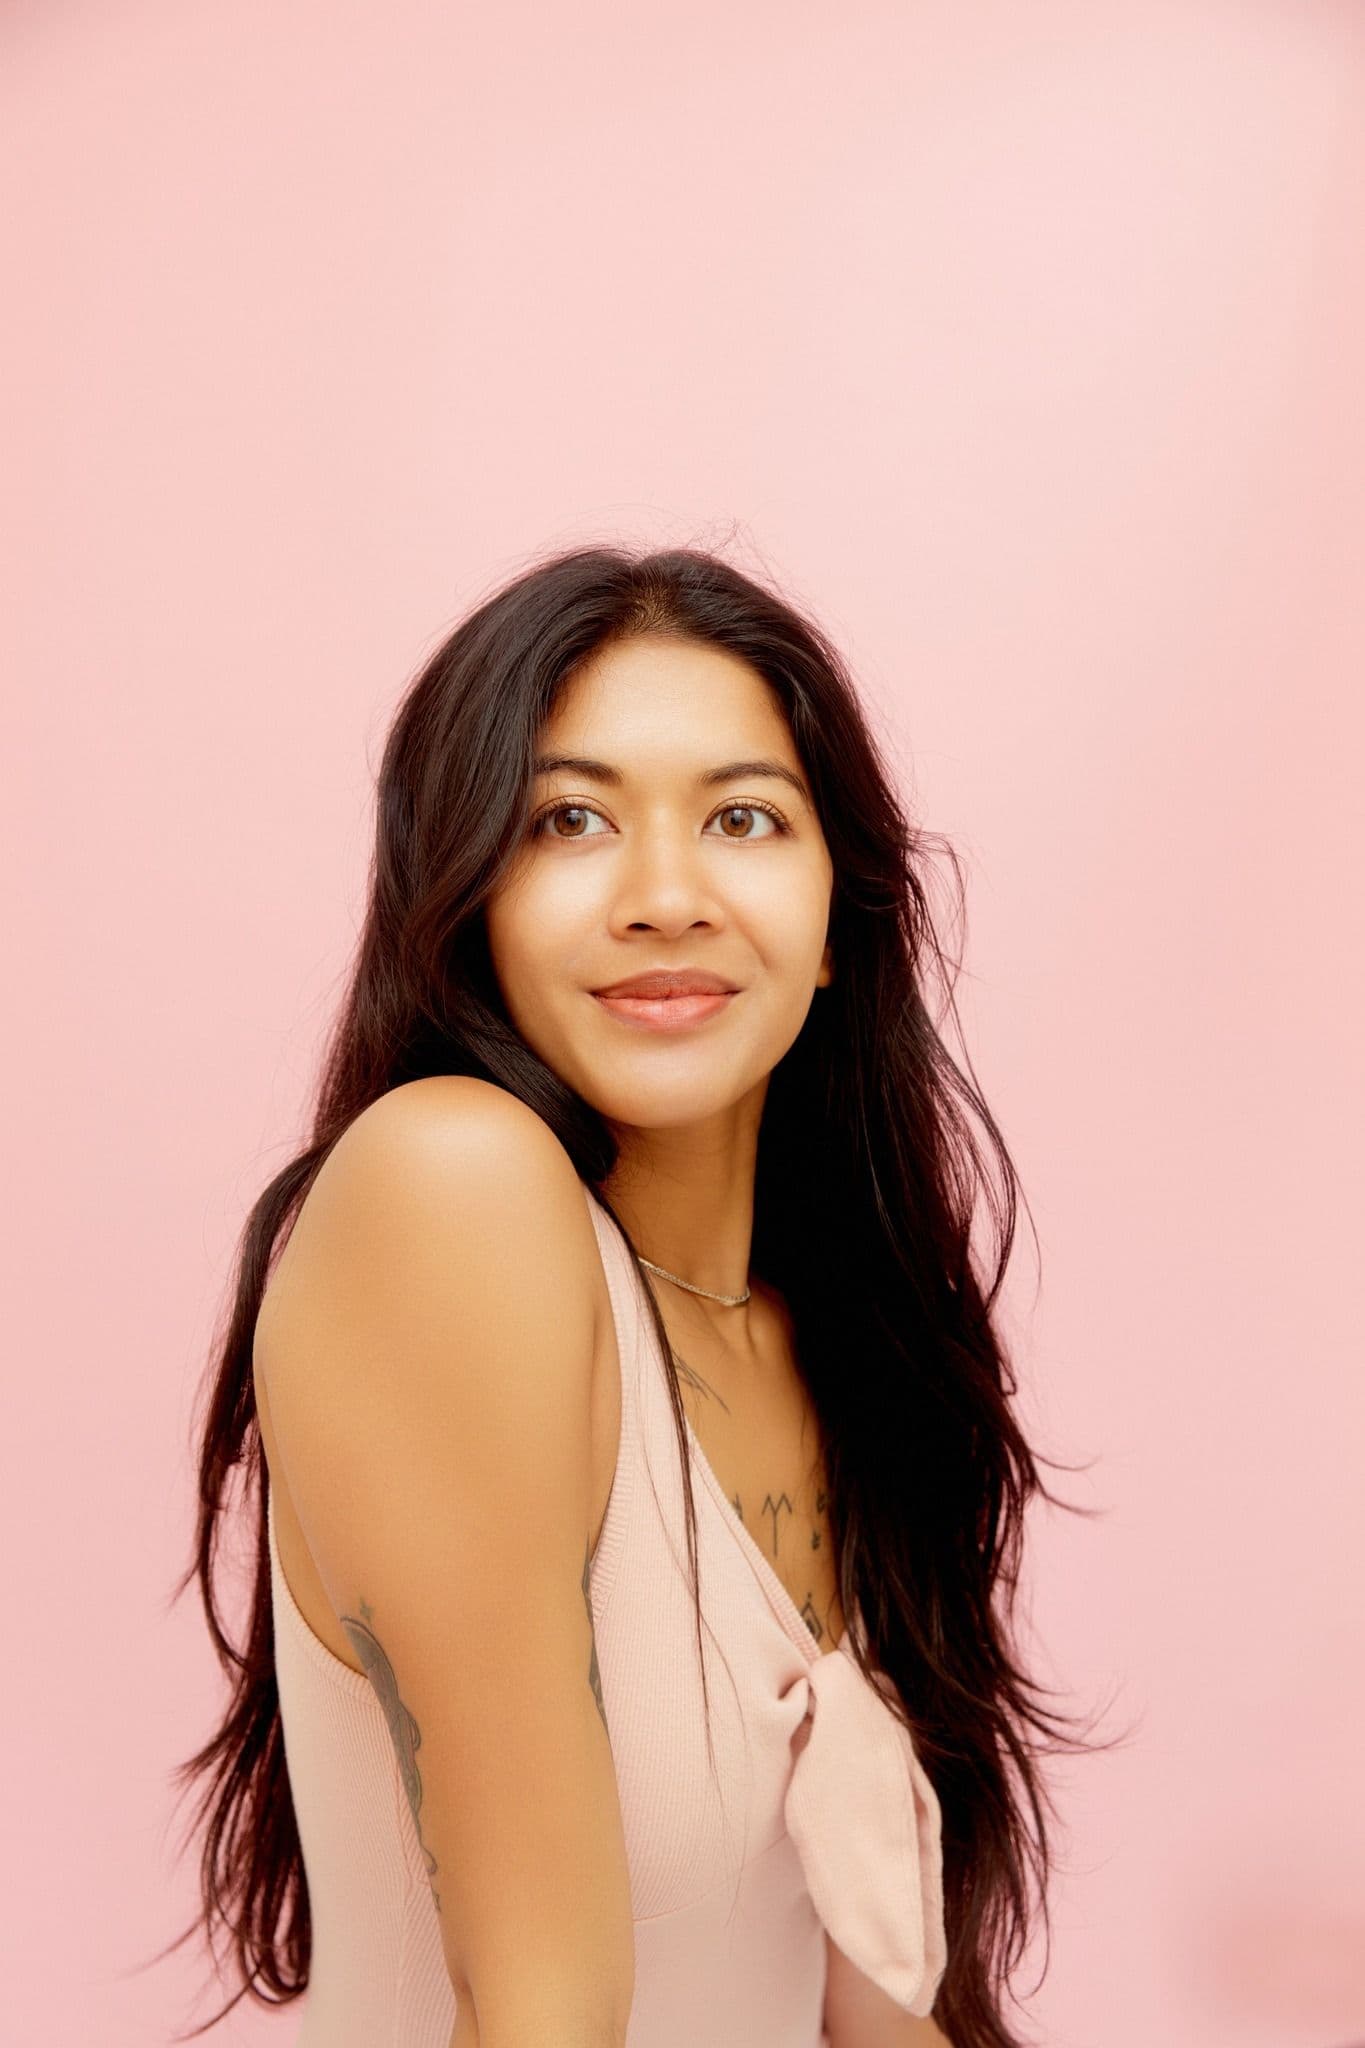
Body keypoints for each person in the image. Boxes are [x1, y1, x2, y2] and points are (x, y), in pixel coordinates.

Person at [158, 544, 1106, 2048]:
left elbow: (864, 2018)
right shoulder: (450, 1191)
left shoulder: (834, 1338)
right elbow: (542, 2013)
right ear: (467, 901)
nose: (666, 899)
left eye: (742, 817)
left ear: (837, 918)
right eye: (569, 820)